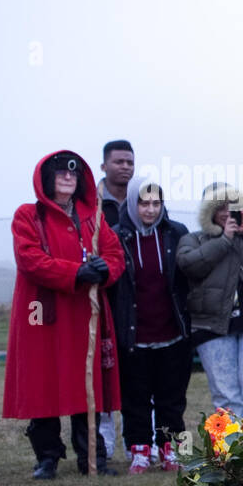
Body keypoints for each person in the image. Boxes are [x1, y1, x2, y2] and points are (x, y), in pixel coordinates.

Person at [4, 150, 124, 478]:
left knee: (86, 382)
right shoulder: (28, 215)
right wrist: (75, 273)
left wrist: (104, 269)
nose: (68, 177)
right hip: (41, 311)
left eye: (73, 173)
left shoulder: (93, 217)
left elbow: (115, 254)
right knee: (43, 380)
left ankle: (91, 457)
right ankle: (47, 456)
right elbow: (29, 259)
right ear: (45, 179)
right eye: (60, 173)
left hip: (85, 310)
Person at [177, 182, 243, 428]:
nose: (227, 211)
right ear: (207, 210)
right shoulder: (193, 239)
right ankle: (233, 457)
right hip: (212, 328)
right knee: (226, 397)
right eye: (219, 206)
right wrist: (224, 240)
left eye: (231, 205)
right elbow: (189, 265)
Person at [112, 176, 192, 473]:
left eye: (156, 203)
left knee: (173, 398)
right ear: (132, 203)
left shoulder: (176, 233)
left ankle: (173, 451)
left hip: (172, 333)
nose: (150, 210)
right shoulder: (116, 236)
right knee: (135, 399)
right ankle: (140, 451)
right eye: (144, 203)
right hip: (134, 335)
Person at [97, 139, 135, 460]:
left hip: (138, 300)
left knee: (137, 373)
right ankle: (103, 442)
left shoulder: (143, 201)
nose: (125, 167)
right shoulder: (89, 204)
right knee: (103, 371)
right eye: (119, 161)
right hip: (102, 298)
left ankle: (138, 442)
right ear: (104, 166)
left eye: (129, 162)